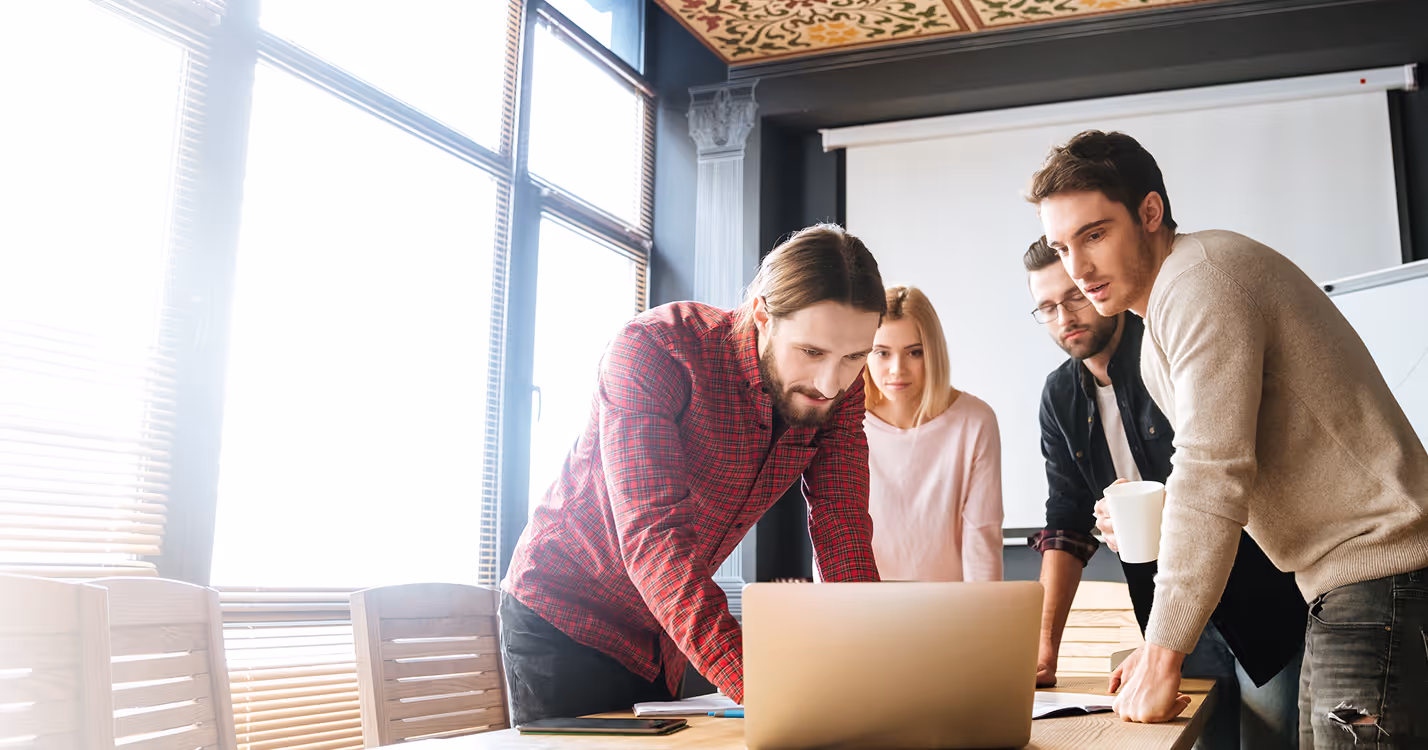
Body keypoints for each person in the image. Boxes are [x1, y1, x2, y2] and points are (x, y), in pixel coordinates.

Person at [1028, 130, 1428, 747]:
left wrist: (1164, 651)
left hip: (1380, 572)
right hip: (1341, 582)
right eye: (1063, 245)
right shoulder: (1162, 312)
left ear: (1150, 213)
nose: (1078, 269)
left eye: (1095, 234)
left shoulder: (1200, 281)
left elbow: (1211, 473)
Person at [500, 224, 887, 725]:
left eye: (855, 357)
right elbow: (654, 537)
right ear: (763, 316)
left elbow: (843, 525)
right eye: (811, 352)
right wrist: (763, 686)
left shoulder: (839, 390)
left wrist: (879, 668)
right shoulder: (655, 351)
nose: (831, 382)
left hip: (666, 634)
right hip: (565, 618)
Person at [1024, 242, 1304, 749]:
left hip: (1254, 594)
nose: (1064, 316)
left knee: (1271, 742)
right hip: (1166, 612)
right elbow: (1064, 524)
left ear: (1095, 285)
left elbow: (1220, 472)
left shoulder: (1168, 348)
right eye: (1047, 307)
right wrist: (1045, 651)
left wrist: (1151, 504)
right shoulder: (1059, 396)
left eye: (1074, 297)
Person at [862, 285, 1003, 582]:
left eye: (914, 352)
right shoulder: (844, 425)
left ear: (933, 353)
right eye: (882, 353)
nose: (897, 369)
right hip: (861, 612)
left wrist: (987, 624)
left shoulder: (974, 421)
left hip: (950, 615)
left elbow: (981, 539)